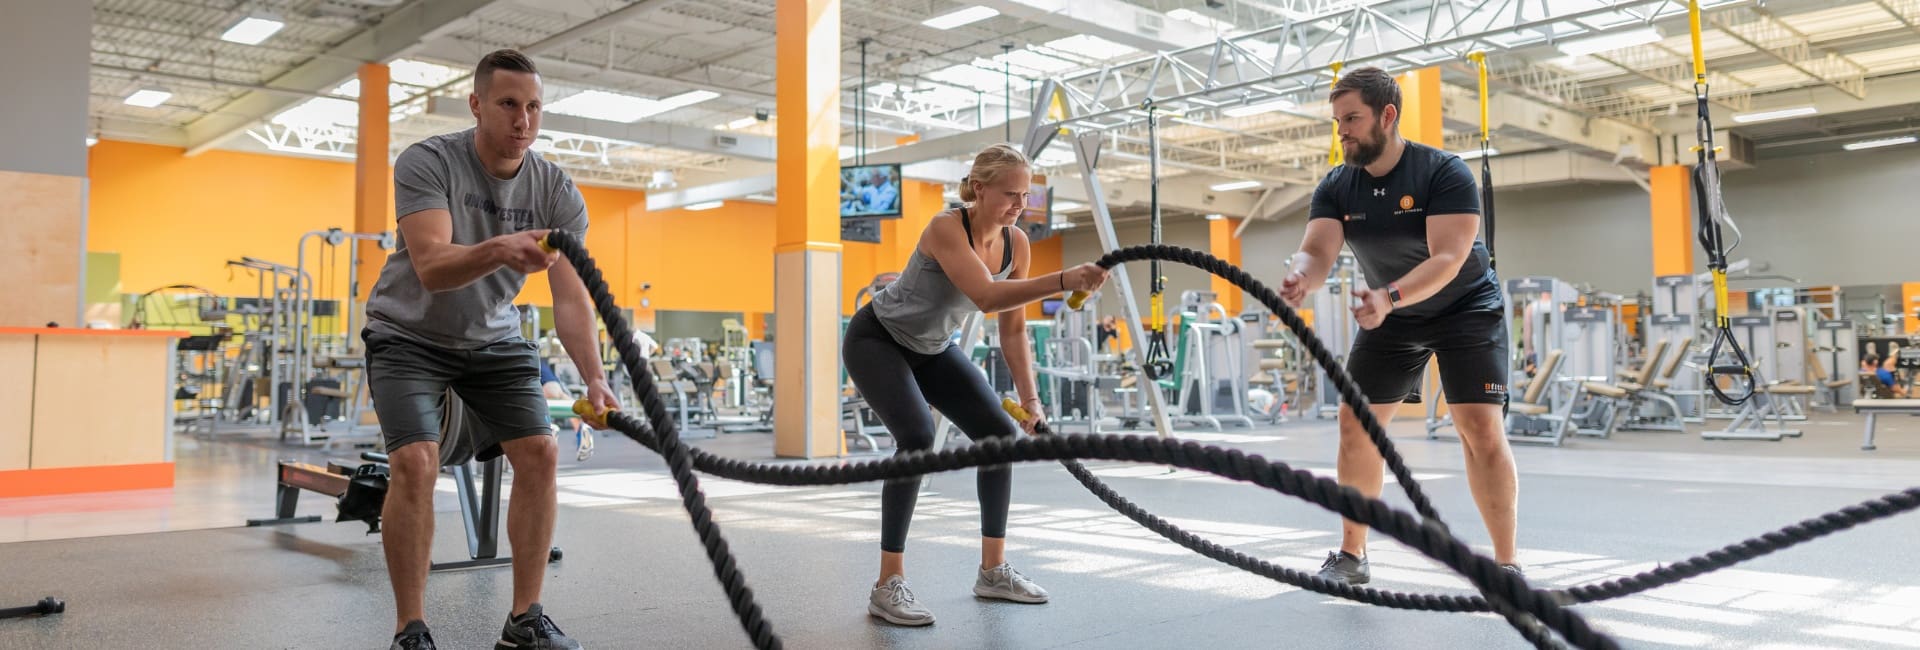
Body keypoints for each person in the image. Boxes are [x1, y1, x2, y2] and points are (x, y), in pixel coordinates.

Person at [362, 48, 617, 650]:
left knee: (541, 453)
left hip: (494, 338)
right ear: (477, 104)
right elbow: (430, 265)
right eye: (507, 104)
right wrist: (503, 248)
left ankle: (524, 619)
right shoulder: (428, 161)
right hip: (408, 336)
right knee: (416, 463)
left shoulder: (556, 190)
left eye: (533, 107)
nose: (522, 120)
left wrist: (595, 378)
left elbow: (572, 301)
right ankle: (411, 630)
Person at [845, 143, 1109, 626]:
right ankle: (888, 585)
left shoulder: (1018, 243)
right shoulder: (946, 227)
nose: (1019, 205)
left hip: (933, 348)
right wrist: (1065, 278)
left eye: (1025, 195)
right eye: (1010, 194)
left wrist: (1031, 400)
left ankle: (992, 571)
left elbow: (1012, 327)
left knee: (998, 439)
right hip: (877, 338)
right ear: (979, 188)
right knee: (918, 438)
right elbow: (986, 296)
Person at [1276, 66, 1521, 585]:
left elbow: (1449, 259)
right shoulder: (1339, 185)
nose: (1341, 130)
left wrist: (1388, 297)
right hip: (1391, 315)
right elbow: (1317, 250)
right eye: (1337, 120)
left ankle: (1505, 565)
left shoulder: (1442, 172)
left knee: (1480, 429)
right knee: (1354, 422)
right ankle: (1352, 555)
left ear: (1387, 116)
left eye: (1352, 119)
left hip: (1464, 309)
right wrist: (1299, 277)